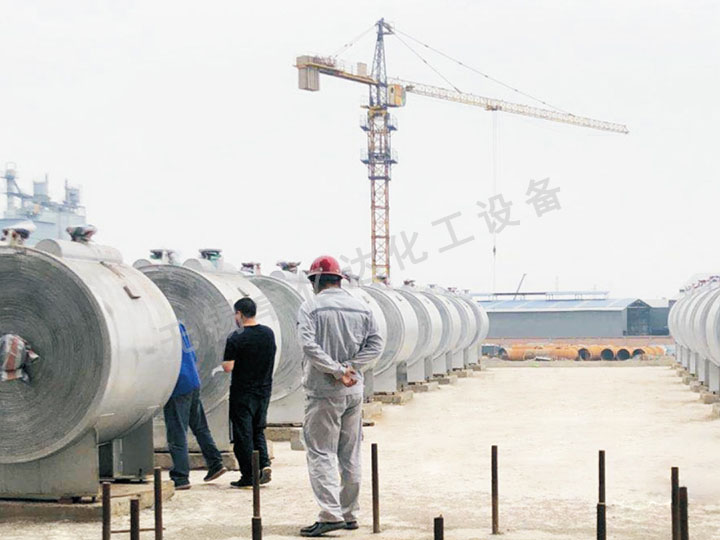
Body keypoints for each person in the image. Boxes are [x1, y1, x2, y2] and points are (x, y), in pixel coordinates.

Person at [297, 255, 384, 537]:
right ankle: (349, 514)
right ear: (339, 280)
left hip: (323, 391)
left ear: (316, 280)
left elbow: (308, 345)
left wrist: (336, 370)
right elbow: (376, 344)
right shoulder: (362, 307)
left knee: (321, 451)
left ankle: (330, 515)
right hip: (354, 390)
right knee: (350, 452)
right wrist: (352, 367)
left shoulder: (311, 307)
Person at [164, 322, 227, 490]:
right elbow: (191, 353)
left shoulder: (158, 326)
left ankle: (180, 477)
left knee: (177, 432)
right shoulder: (178, 324)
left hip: (178, 385)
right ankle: (215, 463)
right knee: (199, 426)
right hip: (192, 380)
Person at [222, 297, 277, 488]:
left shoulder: (235, 337)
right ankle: (264, 464)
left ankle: (248, 475)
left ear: (239, 314)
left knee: (243, 434)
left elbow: (228, 367)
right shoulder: (268, 333)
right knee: (258, 429)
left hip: (242, 392)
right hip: (264, 389)